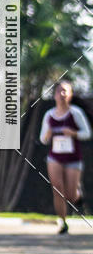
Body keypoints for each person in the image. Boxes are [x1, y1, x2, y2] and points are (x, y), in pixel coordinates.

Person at [39, 80, 91, 234]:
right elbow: (43, 139)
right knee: (57, 189)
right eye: (59, 91)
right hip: (55, 157)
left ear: (70, 95)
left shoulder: (75, 113)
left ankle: (77, 194)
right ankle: (62, 222)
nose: (62, 94)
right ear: (54, 95)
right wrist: (48, 134)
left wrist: (73, 133)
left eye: (65, 91)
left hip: (73, 158)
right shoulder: (49, 115)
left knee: (69, 194)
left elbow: (87, 133)